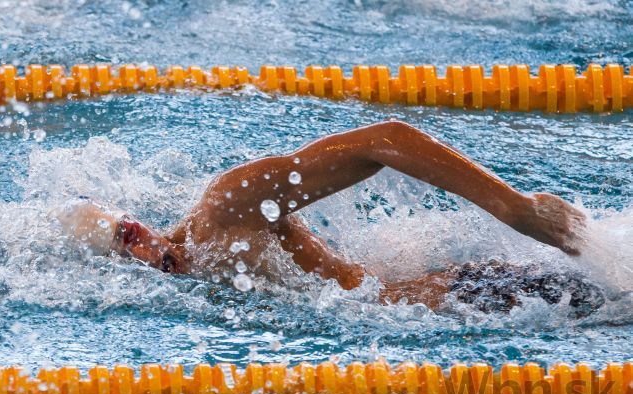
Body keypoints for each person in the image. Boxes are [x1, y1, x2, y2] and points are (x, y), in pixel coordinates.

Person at [59, 121, 599, 314]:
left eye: (127, 236)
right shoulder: (197, 275)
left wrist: (514, 208)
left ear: (138, 226)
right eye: (121, 257)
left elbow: (385, 139)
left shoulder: (222, 213)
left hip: (467, 297)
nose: (139, 259)